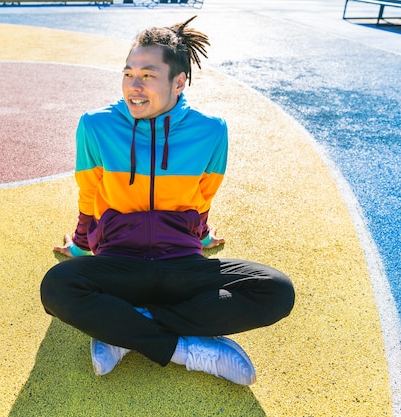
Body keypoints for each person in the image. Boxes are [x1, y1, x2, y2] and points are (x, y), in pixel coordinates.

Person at [40, 16, 295, 386]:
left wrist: (203, 236)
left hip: (182, 265)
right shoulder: (95, 126)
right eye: (128, 74)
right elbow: (89, 194)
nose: (134, 86)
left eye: (148, 75)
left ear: (178, 82)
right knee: (57, 287)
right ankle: (184, 350)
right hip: (118, 264)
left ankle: (124, 329)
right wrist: (81, 245)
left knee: (276, 290)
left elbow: (202, 198)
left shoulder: (211, 131)